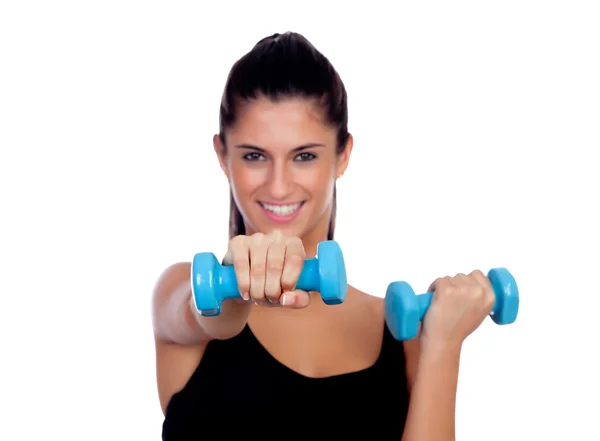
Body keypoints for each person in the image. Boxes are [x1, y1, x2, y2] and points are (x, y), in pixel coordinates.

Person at [151, 32, 496, 440]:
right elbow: (207, 315)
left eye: (304, 156)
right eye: (254, 156)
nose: (278, 187)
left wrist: (443, 346)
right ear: (222, 156)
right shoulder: (183, 290)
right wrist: (236, 281)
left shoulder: (400, 332)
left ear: (343, 155)